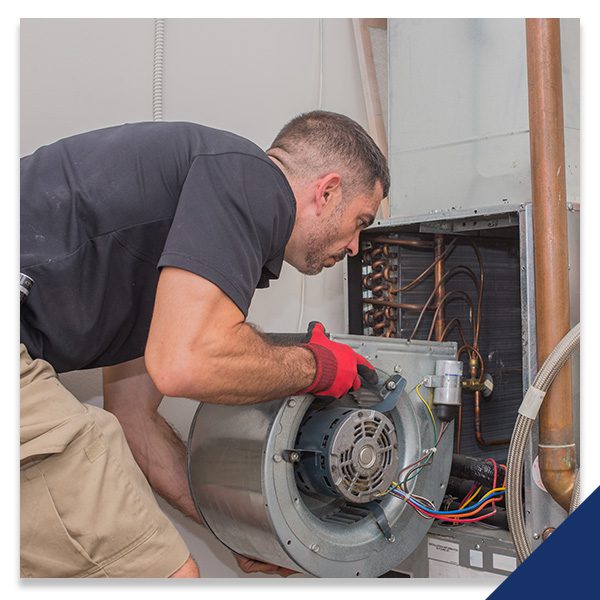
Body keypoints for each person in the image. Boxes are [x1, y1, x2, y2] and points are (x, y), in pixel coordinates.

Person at [20, 110, 390, 578]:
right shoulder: (252, 179)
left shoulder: (184, 231)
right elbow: (186, 364)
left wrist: (232, 532)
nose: (356, 246)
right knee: (167, 576)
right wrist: (317, 367)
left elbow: (133, 417)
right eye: (360, 221)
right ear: (327, 190)